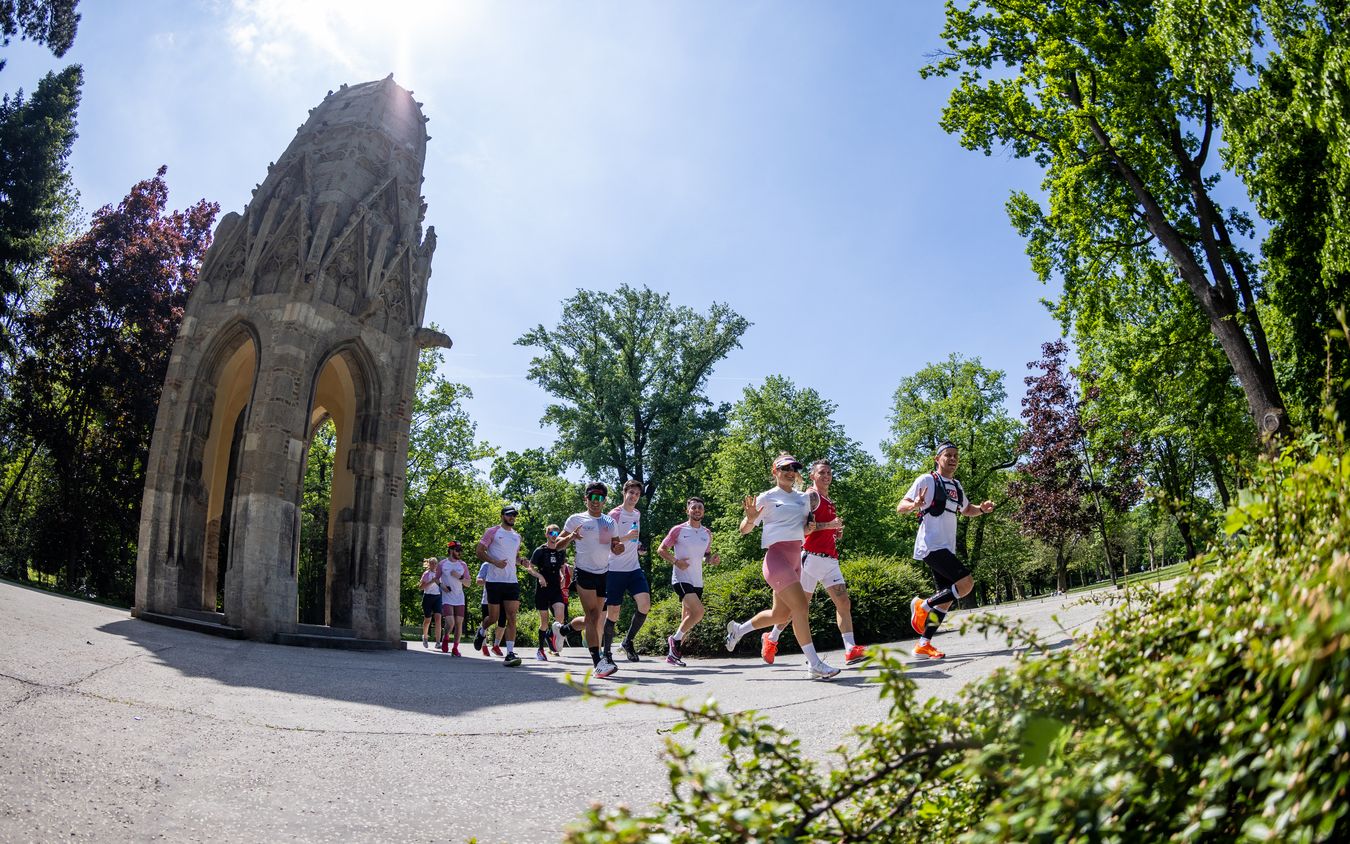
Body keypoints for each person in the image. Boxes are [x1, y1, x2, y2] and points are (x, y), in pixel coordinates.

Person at [724, 453, 840, 680]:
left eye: (793, 468)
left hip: (796, 559)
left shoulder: (803, 498)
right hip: (776, 558)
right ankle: (814, 664)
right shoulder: (766, 498)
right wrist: (749, 518)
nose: (790, 471)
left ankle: (738, 630)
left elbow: (805, 530)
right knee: (800, 608)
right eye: (784, 467)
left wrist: (814, 527)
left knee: (780, 614)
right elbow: (744, 530)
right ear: (774, 471)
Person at [895, 440, 995, 659]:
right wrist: (915, 505)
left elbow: (967, 509)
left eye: (955, 456)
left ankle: (923, 644)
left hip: (946, 547)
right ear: (937, 459)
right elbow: (900, 506)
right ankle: (924, 605)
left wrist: (982, 509)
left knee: (947, 598)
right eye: (947, 455)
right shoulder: (927, 480)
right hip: (931, 544)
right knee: (966, 583)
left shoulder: (956, 486)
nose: (952, 459)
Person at [763, 459, 866, 666]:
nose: (826, 476)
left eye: (829, 473)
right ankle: (772, 638)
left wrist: (834, 531)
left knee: (843, 602)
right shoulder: (811, 496)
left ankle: (850, 649)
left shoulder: (828, 499)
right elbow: (801, 526)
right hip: (810, 557)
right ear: (812, 476)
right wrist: (829, 525)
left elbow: (822, 527)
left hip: (830, 559)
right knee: (797, 609)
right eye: (822, 473)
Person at [559, 482, 623, 678]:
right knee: (594, 617)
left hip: (603, 573)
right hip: (584, 572)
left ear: (604, 501)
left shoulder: (609, 522)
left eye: (600, 498)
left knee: (591, 619)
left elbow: (614, 545)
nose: (596, 502)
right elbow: (557, 545)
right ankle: (598, 662)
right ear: (585, 499)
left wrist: (618, 548)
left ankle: (564, 630)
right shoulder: (576, 519)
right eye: (592, 498)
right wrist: (571, 536)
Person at [657, 496, 718, 666]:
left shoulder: (707, 533)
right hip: (681, 578)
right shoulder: (678, 530)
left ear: (703, 512)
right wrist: (676, 562)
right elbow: (661, 549)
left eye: (700, 507)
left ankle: (673, 655)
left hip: (697, 580)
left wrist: (711, 560)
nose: (697, 510)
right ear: (687, 511)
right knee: (699, 612)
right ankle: (673, 640)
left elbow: (705, 556)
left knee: (687, 619)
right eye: (694, 507)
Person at [474, 505, 531, 668]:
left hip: (511, 581)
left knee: (512, 617)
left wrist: (522, 561)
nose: (512, 517)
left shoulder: (517, 536)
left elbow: (515, 557)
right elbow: (479, 551)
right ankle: (482, 630)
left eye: (514, 515)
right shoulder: (492, 531)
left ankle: (510, 653)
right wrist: (494, 562)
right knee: (493, 618)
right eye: (509, 514)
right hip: (494, 581)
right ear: (502, 516)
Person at [602, 480, 649, 665]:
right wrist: (627, 537)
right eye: (631, 493)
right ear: (624, 493)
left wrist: (638, 546)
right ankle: (606, 653)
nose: (634, 497)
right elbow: (604, 540)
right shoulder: (614, 514)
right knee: (613, 612)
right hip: (614, 570)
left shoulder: (637, 514)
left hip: (634, 568)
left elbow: (632, 539)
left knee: (644, 605)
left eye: (637, 494)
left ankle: (627, 642)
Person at [529, 524, 571, 661]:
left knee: (560, 617)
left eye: (556, 533)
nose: (554, 535)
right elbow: (530, 567)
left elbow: (560, 566)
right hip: (542, 589)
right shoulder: (540, 551)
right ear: (546, 535)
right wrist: (540, 577)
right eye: (551, 533)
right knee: (544, 622)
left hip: (555, 589)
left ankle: (551, 637)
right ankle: (540, 649)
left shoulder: (561, 550)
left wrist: (562, 575)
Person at [438, 540, 471, 656]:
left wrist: (460, 577)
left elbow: (468, 583)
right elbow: (437, 579)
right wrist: (441, 586)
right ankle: (446, 637)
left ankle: (455, 648)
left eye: (460, 550)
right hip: (447, 596)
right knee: (450, 623)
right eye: (457, 550)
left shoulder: (463, 565)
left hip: (459, 597)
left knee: (458, 623)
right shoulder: (442, 564)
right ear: (451, 550)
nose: (459, 552)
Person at [473, 562, 506, 657]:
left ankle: (496, 646)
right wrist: (490, 582)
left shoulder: (505, 563)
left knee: (502, 622)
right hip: (487, 600)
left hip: (502, 599)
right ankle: (484, 646)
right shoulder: (486, 565)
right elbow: (478, 580)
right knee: (486, 623)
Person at [418, 558, 442, 648]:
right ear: (429, 564)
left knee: (438, 619)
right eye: (432, 564)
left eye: (435, 563)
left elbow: (442, 584)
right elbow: (420, 587)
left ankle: (438, 642)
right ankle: (425, 637)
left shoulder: (439, 574)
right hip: (428, 597)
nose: (434, 565)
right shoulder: (426, 574)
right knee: (428, 619)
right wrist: (431, 581)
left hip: (437, 597)